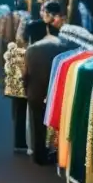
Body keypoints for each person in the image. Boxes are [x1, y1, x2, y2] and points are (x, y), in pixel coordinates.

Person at [23, 20, 67, 165]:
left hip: (36, 92)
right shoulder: (61, 46)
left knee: (38, 125)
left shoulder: (32, 49)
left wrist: (25, 89)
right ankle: (57, 153)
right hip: (56, 92)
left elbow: (26, 74)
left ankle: (39, 155)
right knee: (57, 124)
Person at [3, 29, 29, 154]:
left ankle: (19, 144)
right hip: (28, 87)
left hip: (15, 89)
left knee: (18, 115)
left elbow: (8, 70)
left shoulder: (12, 53)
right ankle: (28, 143)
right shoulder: (30, 52)